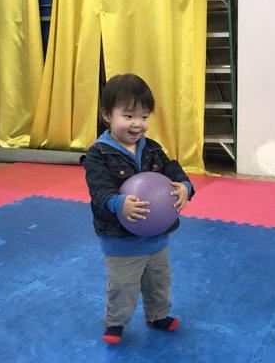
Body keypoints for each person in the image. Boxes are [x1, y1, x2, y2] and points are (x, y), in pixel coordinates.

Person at [83, 73, 194, 344]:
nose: (137, 124)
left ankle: (157, 316)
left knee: (159, 281)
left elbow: (172, 169)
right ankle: (115, 323)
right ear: (107, 114)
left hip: (156, 237)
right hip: (120, 241)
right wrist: (120, 203)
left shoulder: (152, 148)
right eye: (129, 116)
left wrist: (184, 186)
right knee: (122, 286)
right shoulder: (98, 154)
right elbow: (99, 190)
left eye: (144, 117)